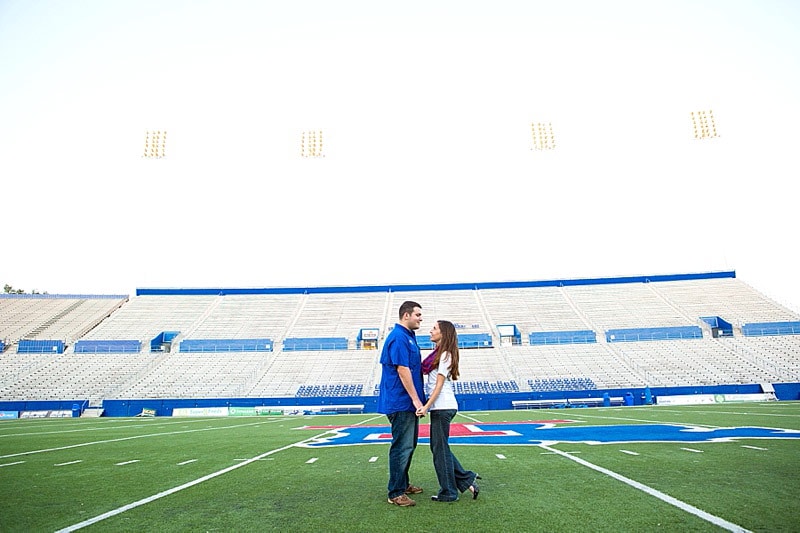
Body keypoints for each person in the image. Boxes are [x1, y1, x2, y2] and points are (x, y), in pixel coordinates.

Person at [416, 320, 480, 502]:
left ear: (443, 333)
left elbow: (439, 385)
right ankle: (466, 479)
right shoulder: (438, 354)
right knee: (440, 448)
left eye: (434, 328)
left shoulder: (445, 355)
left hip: (442, 405)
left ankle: (449, 492)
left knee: (439, 450)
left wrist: (426, 406)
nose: (430, 330)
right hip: (441, 406)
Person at [378, 300, 426, 507]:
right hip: (402, 401)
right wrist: (416, 400)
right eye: (417, 315)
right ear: (406, 315)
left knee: (409, 445)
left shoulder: (408, 337)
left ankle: (403, 483)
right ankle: (395, 492)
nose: (420, 319)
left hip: (407, 402)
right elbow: (402, 369)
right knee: (402, 446)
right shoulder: (399, 337)